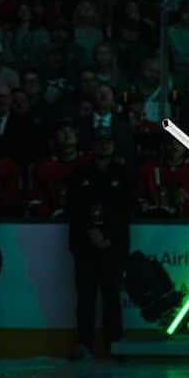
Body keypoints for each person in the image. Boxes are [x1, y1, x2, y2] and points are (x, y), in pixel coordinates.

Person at [66, 126, 131, 359]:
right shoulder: (80, 173)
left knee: (112, 295)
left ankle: (113, 343)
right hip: (85, 247)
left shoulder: (122, 173)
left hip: (113, 246)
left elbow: (126, 211)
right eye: (100, 141)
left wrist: (108, 237)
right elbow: (73, 210)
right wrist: (90, 234)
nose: (104, 145)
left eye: (108, 141)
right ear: (93, 144)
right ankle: (84, 343)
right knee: (86, 296)